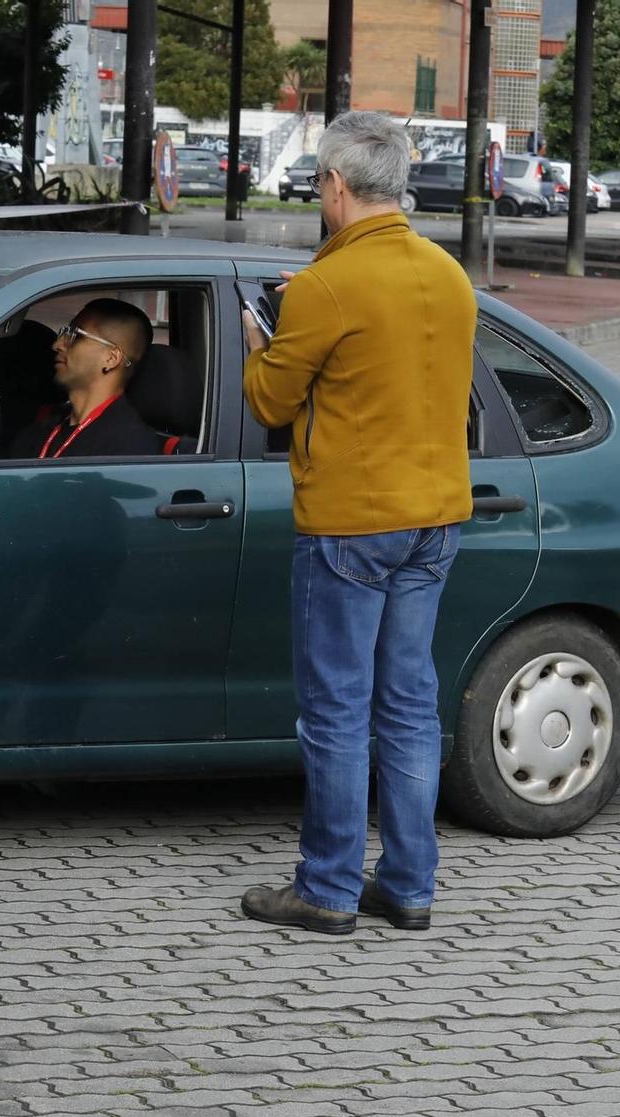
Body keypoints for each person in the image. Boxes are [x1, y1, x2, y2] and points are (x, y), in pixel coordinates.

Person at [238, 110, 476, 937]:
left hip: (349, 523)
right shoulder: (450, 275)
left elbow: (271, 398)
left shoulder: (324, 286)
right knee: (409, 701)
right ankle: (409, 883)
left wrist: (253, 341)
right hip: (436, 516)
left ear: (335, 186)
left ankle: (329, 886)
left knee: (336, 707)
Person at [0, 300, 167, 459]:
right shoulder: (40, 430)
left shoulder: (128, 448)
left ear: (111, 358)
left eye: (75, 336)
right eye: (64, 332)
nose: (57, 344)